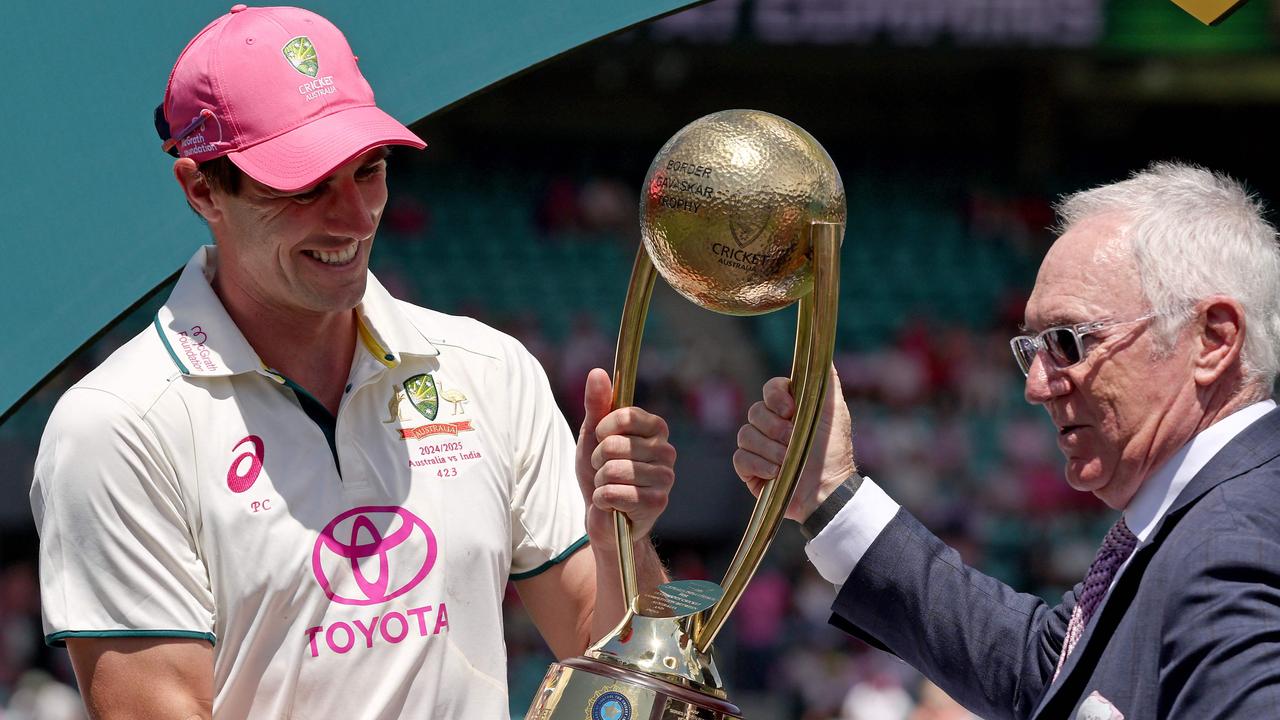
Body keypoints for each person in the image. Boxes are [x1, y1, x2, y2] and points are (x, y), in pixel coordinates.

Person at [30, 6, 674, 718]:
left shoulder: (490, 369)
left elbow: (604, 660)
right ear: (202, 189)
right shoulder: (116, 427)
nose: (354, 216)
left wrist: (623, 536)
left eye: (368, 170)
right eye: (304, 185)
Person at [734, 162, 1280, 719]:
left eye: (1068, 342)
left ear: (1213, 339)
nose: (1037, 386)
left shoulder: (1232, 543)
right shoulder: (1205, 519)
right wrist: (831, 496)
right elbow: (1046, 673)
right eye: (1032, 349)